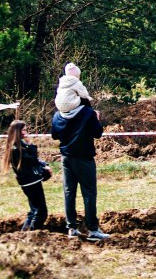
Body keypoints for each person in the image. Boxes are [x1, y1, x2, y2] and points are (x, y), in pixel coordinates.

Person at [51, 95, 110, 241]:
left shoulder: (58, 115)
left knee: (69, 192)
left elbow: (54, 135)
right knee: (89, 192)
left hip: (66, 157)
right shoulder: (88, 113)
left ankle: (71, 228)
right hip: (83, 157)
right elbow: (98, 133)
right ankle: (93, 230)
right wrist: (96, 118)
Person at [1, 120, 50, 231]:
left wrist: (44, 165)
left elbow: (34, 160)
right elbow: (31, 160)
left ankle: (24, 233)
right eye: (24, 130)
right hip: (30, 182)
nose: (26, 132)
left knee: (34, 210)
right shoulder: (16, 149)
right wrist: (31, 145)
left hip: (30, 181)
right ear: (17, 131)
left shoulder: (20, 145)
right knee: (41, 213)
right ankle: (33, 234)